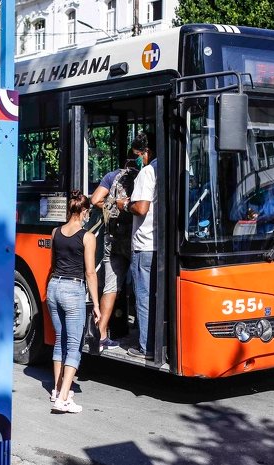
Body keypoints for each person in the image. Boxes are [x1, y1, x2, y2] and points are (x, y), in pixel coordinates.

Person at [46, 190, 100, 414]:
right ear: (85, 211)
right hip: (73, 290)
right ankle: (64, 399)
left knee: (60, 340)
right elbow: (90, 273)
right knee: (74, 347)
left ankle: (57, 390)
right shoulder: (87, 237)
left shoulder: (55, 232)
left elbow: (52, 264)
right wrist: (96, 304)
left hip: (54, 288)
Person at [90, 149, 140, 348]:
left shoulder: (112, 176)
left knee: (111, 288)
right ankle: (141, 331)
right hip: (136, 239)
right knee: (140, 286)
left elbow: (95, 200)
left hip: (112, 239)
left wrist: (112, 206)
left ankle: (100, 334)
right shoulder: (144, 176)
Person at [117, 134, 157, 360]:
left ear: (146, 151)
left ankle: (146, 346)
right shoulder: (165, 168)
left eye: (138, 155)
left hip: (144, 244)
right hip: (159, 245)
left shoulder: (147, 172)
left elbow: (141, 208)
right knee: (153, 295)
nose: (138, 160)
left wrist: (124, 205)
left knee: (143, 296)